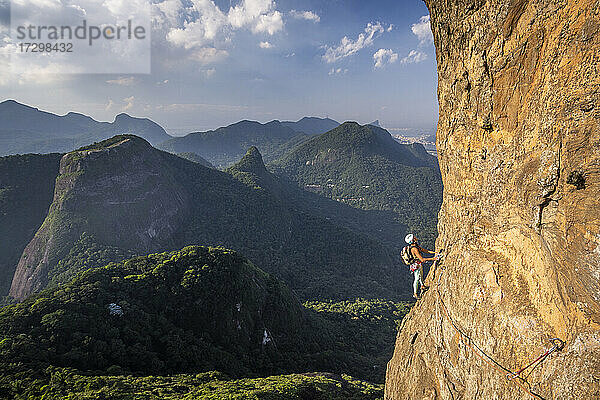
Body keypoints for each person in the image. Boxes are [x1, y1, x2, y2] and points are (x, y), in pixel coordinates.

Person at [405, 233, 436, 299]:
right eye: (414, 237)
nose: (415, 237)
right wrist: (433, 259)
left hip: (417, 264)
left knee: (420, 275)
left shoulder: (416, 246)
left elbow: (425, 251)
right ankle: (415, 294)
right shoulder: (414, 249)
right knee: (416, 278)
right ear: (413, 240)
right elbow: (422, 259)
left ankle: (422, 286)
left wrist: (435, 253)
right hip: (416, 265)